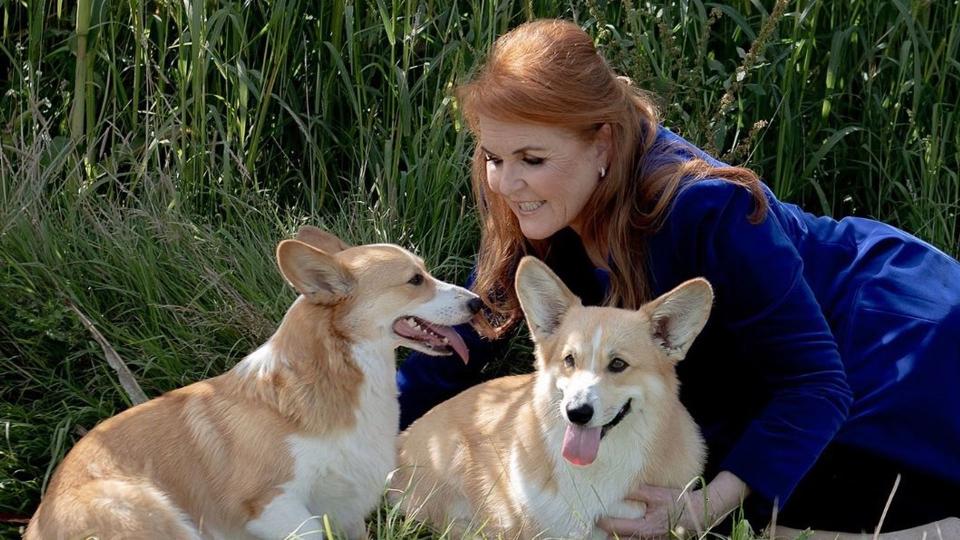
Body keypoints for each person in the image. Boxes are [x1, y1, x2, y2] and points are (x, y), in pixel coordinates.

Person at [397, 19, 960, 538]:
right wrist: (355, 437)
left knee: (771, 512)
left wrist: (702, 509)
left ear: (603, 143)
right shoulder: (538, 205)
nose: (507, 183)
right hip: (763, 367)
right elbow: (476, 334)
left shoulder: (706, 210)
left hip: (893, 344)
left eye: (532, 159)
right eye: (493, 157)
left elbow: (815, 384)